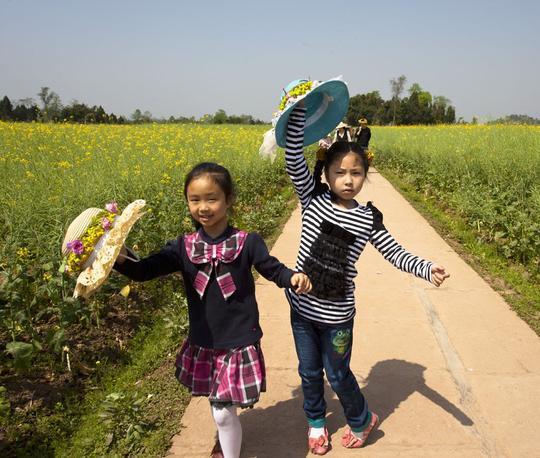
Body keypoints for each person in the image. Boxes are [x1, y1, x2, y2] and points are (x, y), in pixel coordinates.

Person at [114, 162, 312, 458]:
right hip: (205, 339)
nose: (203, 207)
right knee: (220, 405)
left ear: (228, 199)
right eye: (195, 200)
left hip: (238, 339)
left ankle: (228, 444)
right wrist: (115, 257)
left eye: (211, 199)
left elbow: (273, 269)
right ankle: (227, 435)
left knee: (221, 411)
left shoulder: (246, 242)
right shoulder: (184, 247)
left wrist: (293, 277)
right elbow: (144, 270)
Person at [284, 105, 450, 455]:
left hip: (338, 318)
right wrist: (299, 112)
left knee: (339, 374)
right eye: (339, 172)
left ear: (365, 175)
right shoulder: (312, 200)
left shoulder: (368, 219)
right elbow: (293, 158)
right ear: (326, 174)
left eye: (356, 173)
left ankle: (361, 419)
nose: (348, 179)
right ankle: (316, 422)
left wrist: (426, 268)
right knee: (310, 373)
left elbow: (395, 252)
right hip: (301, 310)